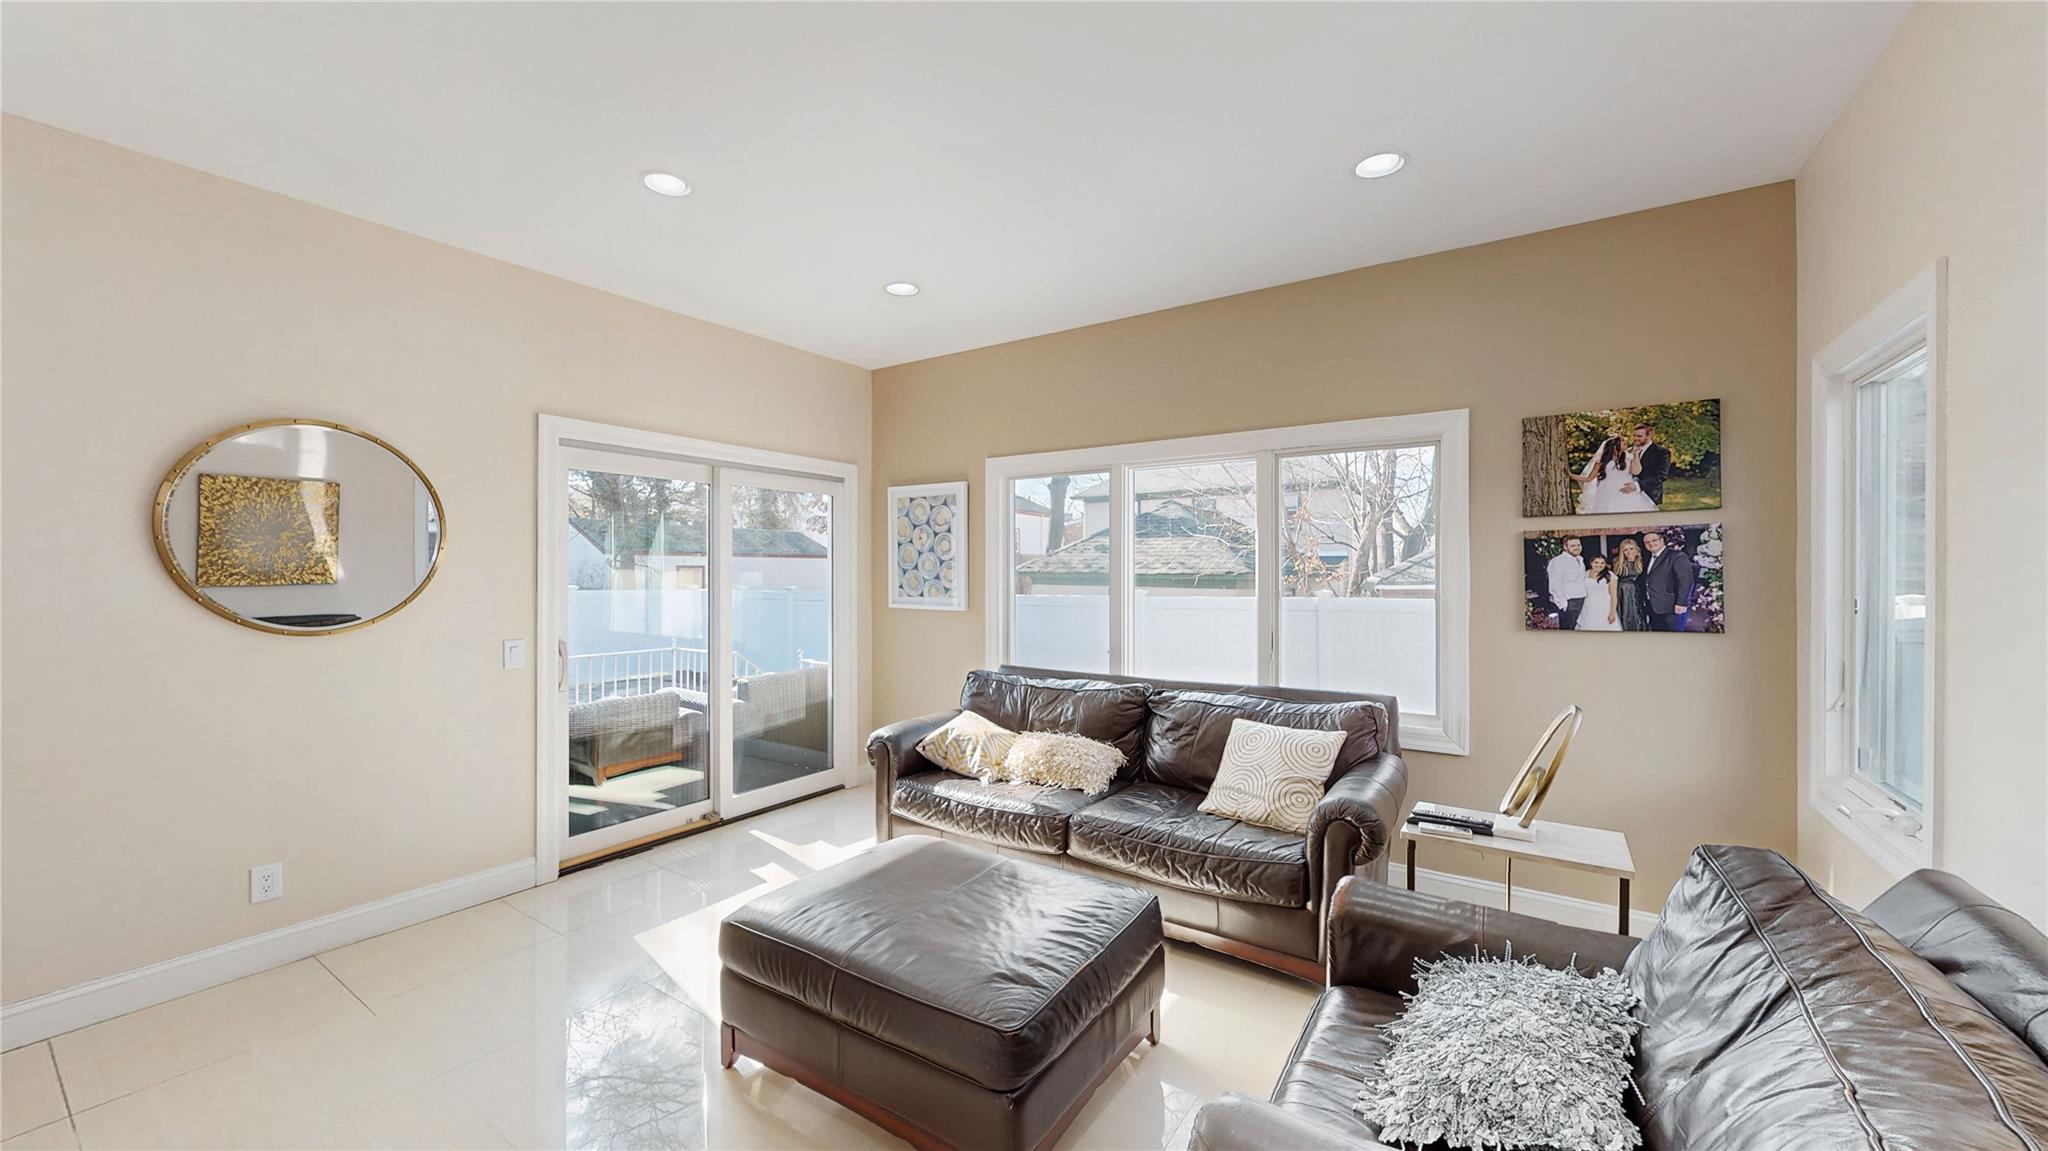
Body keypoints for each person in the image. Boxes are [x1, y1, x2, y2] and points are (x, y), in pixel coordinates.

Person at [1572, 435, 1657, 514]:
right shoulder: (1602, 461)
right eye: (1622, 441)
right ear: (1615, 445)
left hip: (1625, 492)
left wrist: (1636, 456)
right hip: (1607, 493)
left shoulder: (1629, 458)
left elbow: (1636, 472)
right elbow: (1589, 478)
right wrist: (1571, 476)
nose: (1625, 442)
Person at [1641, 529, 1695, 631]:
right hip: (1653, 606)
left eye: (1654, 540)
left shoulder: (1676, 556)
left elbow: (1685, 580)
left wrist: (1681, 602)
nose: (1651, 544)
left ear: (1662, 540)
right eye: (1647, 542)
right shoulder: (1648, 557)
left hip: (1670, 607)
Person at [1620, 422, 1673, 508]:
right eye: (1634, 436)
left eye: (1639, 436)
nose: (1635, 438)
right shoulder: (1628, 451)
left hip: (1649, 494)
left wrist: (1637, 485)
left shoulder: (1662, 452)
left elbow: (1661, 476)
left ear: (1649, 436)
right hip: (1626, 494)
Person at [1545, 537, 1588, 629]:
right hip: (1569, 601)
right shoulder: (1558, 561)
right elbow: (1555, 584)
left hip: (1581, 599)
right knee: (1568, 630)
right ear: (1565, 547)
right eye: (1572, 545)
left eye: (1578, 545)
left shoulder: (1580, 559)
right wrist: (1563, 604)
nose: (1577, 547)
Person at [1576, 554, 1621, 631]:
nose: (1599, 565)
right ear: (1591, 563)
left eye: (1602, 563)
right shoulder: (1585, 574)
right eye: (1596, 562)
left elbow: (1613, 595)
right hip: (1588, 606)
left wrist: (1612, 612)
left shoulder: (1610, 575)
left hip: (1604, 607)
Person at [1613, 538, 1649, 632]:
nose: (1628, 552)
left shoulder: (1642, 561)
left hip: (1636, 590)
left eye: (1631, 548)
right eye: (1625, 550)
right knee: (1624, 612)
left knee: (1637, 612)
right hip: (1621, 591)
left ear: (1636, 549)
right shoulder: (1616, 561)